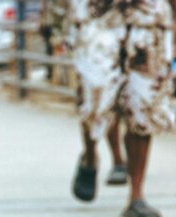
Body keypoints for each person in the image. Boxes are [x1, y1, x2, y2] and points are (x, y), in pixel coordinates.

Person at [68, 0, 176, 217]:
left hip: (148, 19)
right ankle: (90, 155)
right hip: (98, 19)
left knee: (145, 102)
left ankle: (136, 196)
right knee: (95, 100)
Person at [41, 0, 128, 186]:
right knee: (96, 90)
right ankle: (91, 155)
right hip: (90, 20)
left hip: (130, 14)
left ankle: (119, 161)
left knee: (122, 92)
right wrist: (48, 16)